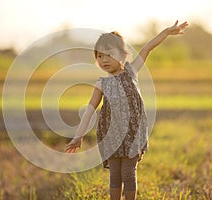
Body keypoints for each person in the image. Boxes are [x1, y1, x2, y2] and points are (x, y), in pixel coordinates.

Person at [64, 20, 189, 200]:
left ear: (123, 55)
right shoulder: (101, 84)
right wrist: (78, 136)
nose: (104, 60)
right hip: (110, 135)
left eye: (108, 54)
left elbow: (148, 47)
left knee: (128, 174)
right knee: (115, 175)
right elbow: (89, 111)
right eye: (99, 56)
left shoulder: (131, 71)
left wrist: (166, 32)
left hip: (133, 134)